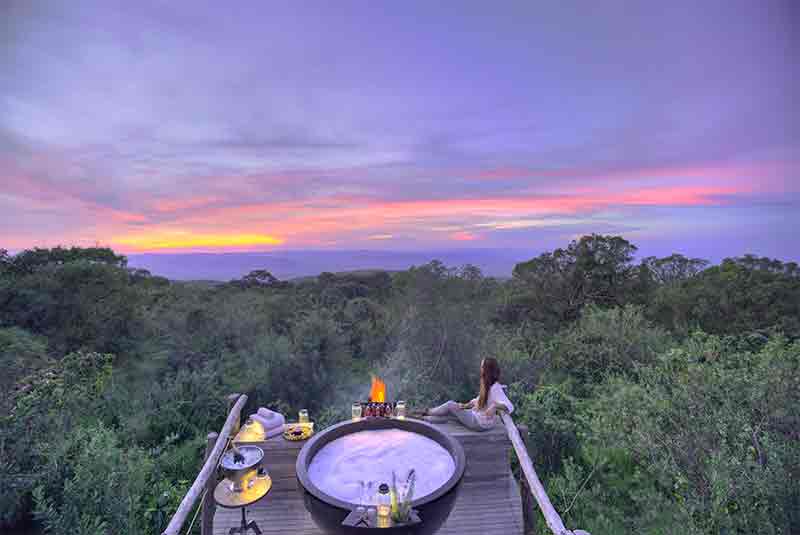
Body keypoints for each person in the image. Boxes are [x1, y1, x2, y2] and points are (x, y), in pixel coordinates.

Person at [424, 357, 514, 431]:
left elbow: (510, 406)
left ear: (487, 370)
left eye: (482, 367)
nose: (480, 369)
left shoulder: (495, 388)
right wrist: (465, 405)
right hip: (478, 419)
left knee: (450, 405)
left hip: (479, 423)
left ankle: (426, 412)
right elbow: (479, 400)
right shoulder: (488, 385)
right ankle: (426, 417)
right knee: (451, 412)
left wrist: (494, 406)